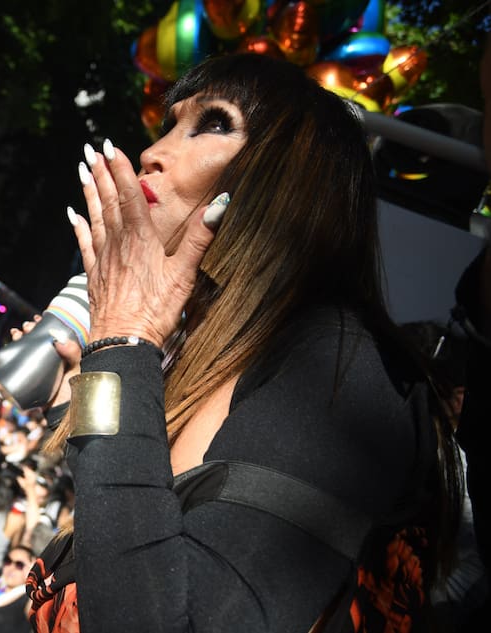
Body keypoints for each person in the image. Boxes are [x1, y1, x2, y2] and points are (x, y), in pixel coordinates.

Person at [28, 53, 462, 632]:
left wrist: (122, 340)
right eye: (168, 125)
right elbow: (125, 521)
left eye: (213, 123)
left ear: (290, 177)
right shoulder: (201, 355)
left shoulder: (339, 369)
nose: (152, 152)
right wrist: (80, 397)